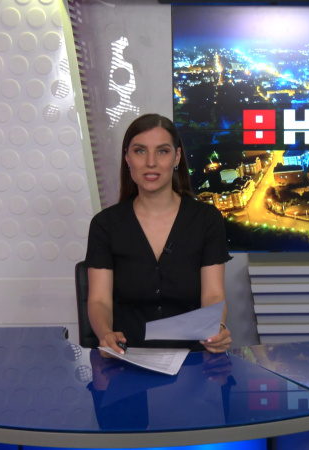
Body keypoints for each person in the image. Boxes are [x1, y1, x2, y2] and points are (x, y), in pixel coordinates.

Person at [84, 113, 232, 354]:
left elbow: (214, 294)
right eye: (140, 151)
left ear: (177, 157)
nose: (150, 162)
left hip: (194, 358)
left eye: (162, 151)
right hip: (127, 355)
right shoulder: (105, 225)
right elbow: (99, 300)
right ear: (127, 158)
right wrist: (105, 334)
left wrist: (218, 328)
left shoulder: (207, 219)